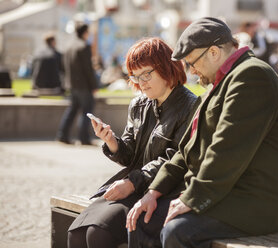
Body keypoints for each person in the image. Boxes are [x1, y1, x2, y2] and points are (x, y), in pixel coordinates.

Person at [126, 17, 278, 248]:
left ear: (214, 52)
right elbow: (186, 149)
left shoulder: (252, 76)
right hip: (222, 192)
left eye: (192, 62)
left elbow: (227, 151)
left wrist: (190, 199)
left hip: (251, 201)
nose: (192, 71)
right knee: (141, 220)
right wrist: (154, 191)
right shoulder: (221, 81)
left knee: (176, 231)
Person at [67, 37, 197, 248]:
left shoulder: (190, 106)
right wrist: (111, 142)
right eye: (135, 76)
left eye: (147, 73)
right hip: (133, 184)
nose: (141, 82)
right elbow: (129, 154)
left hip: (162, 190)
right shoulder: (139, 103)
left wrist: (133, 182)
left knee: (97, 232)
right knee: (77, 233)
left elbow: (174, 159)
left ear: (166, 66)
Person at [56, 23, 98, 145]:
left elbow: (64, 67)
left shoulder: (69, 46)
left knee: (72, 110)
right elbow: (88, 69)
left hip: (71, 85)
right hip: (84, 85)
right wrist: (94, 85)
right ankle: (83, 138)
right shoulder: (84, 46)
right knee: (87, 112)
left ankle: (62, 135)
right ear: (85, 32)